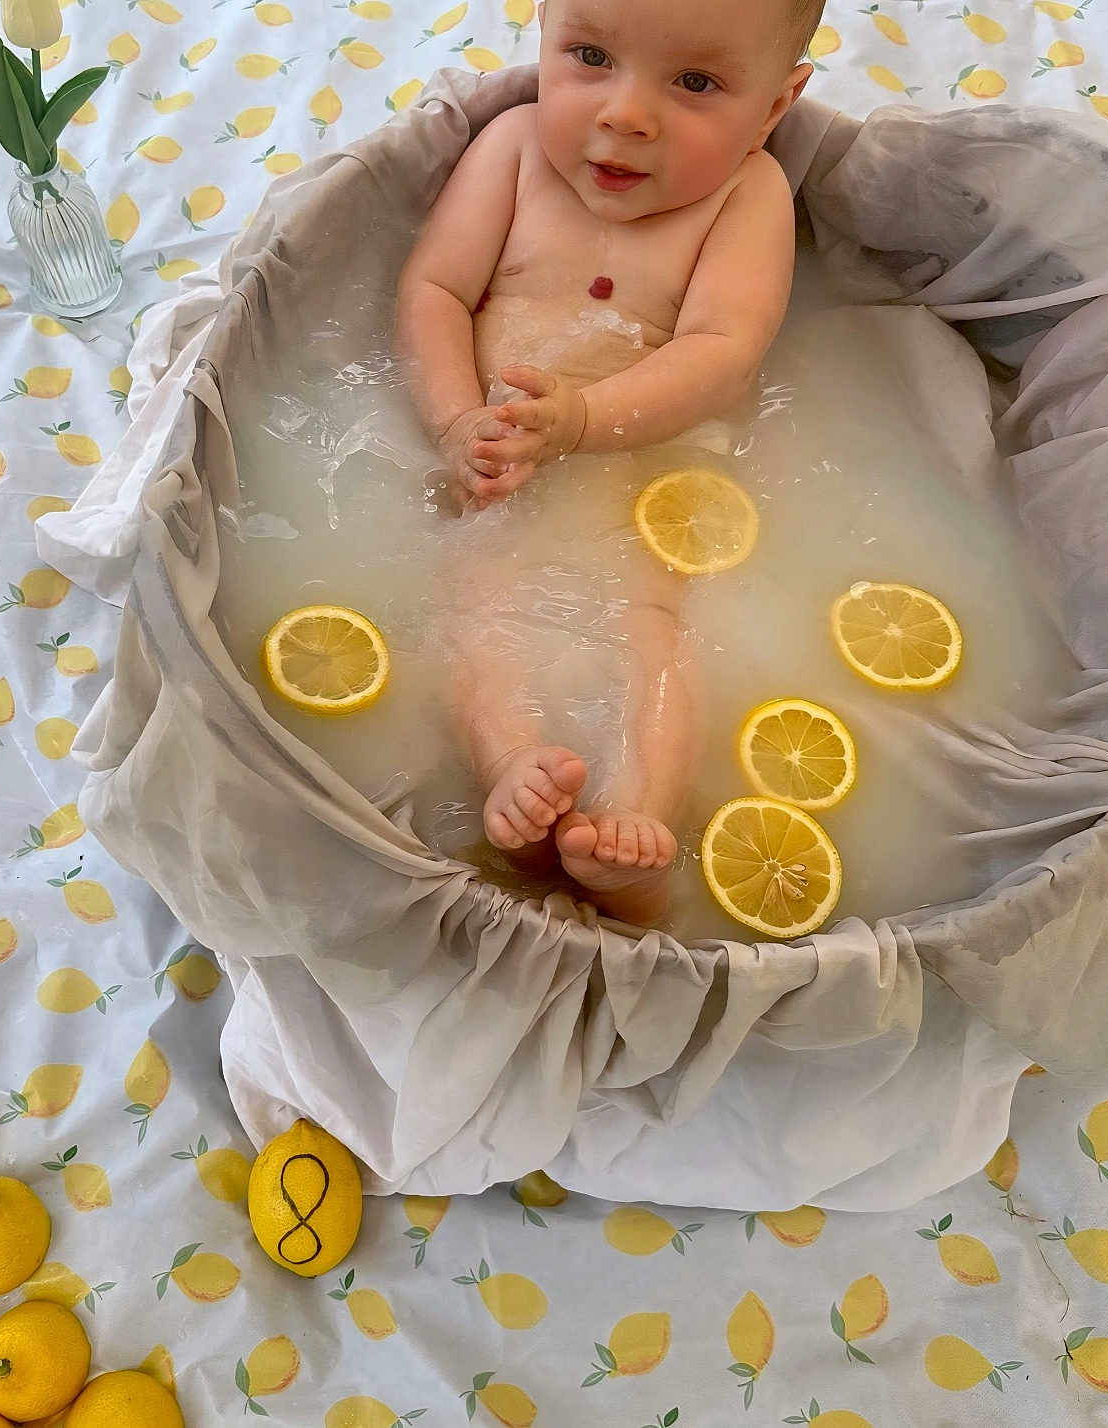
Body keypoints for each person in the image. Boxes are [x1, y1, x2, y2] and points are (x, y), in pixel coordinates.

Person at [395, 0, 818, 925]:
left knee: (652, 630)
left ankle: (636, 833)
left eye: (696, 83)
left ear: (778, 106)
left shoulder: (748, 196)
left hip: (645, 486)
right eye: (589, 56)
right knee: (480, 602)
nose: (626, 114)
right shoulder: (510, 150)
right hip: (494, 467)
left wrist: (583, 418)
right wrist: (457, 423)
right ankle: (510, 761)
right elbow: (433, 288)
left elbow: (721, 349)